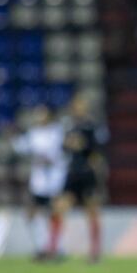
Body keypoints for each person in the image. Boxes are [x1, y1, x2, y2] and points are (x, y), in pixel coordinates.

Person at [46, 95, 108, 263]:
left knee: (92, 213)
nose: (78, 109)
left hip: (87, 174)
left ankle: (95, 252)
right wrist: (68, 144)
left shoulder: (91, 127)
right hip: (72, 174)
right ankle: (52, 249)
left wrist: (97, 176)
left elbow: (97, 152)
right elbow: (62, 148)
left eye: (81, 106)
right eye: (76, 106)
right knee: (58, 208)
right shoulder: (69, 126)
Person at [11, 104, 68, 260]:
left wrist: (49, 158)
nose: (38, 117)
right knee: (32, 213)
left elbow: (59, 152)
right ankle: (42, 247)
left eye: (41, 114)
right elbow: (21, 147)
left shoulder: (57, 132)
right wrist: (13, 135)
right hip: (39, 181)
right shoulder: (34, 133)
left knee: (55, 213)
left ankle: (57, 248)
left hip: (56, 179)